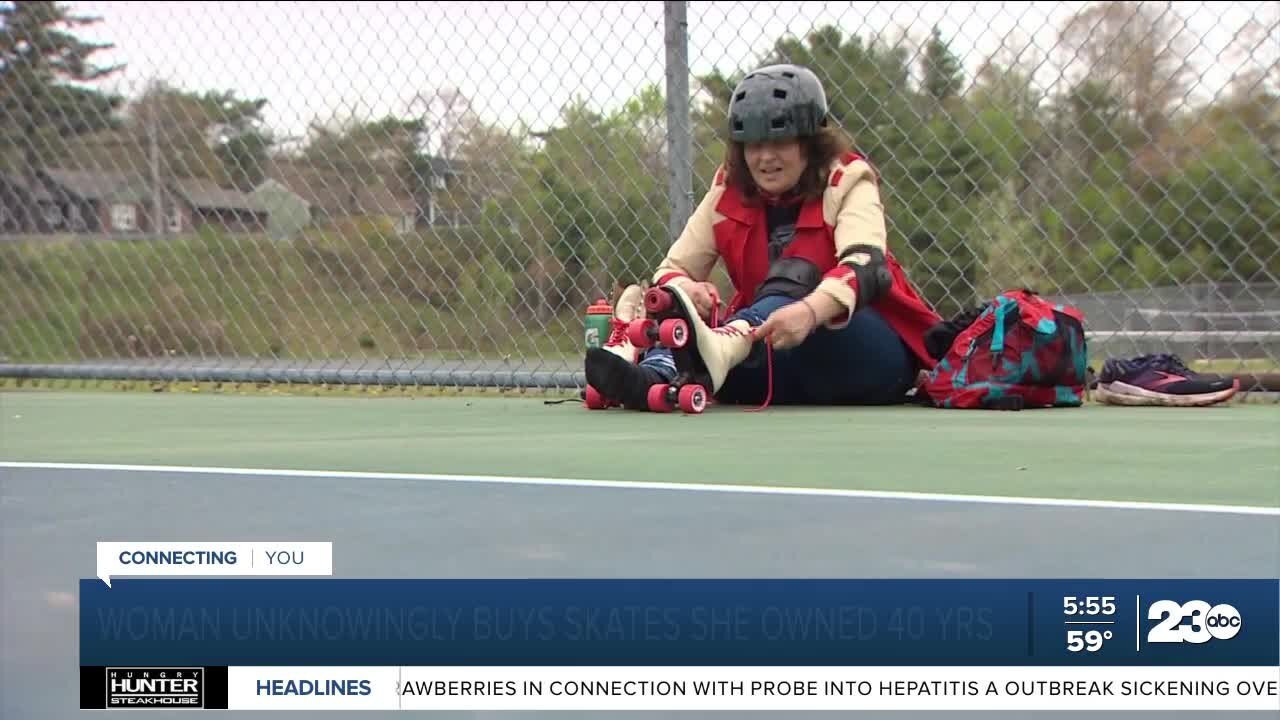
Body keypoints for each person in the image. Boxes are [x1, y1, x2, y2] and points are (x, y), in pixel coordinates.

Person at [585, 63, 942, 410]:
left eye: (780, 142)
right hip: (774, 355)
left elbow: (868, 268)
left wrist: (807, 312)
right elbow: (672, 269)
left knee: (796, 274)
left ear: (811, 142)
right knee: (681, 308)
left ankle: (705, 354)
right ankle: (654, 377)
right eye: (753, 145)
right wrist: (687, 290)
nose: (765, 157)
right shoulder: (729, 188)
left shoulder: (847, 178)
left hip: (867, 355)